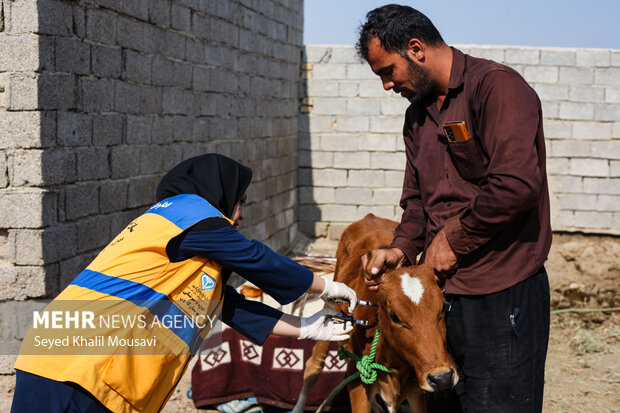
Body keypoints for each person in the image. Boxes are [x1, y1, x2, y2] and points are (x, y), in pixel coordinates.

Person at [11, 154, 358, 413]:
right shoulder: (186, 211)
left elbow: (233, 308)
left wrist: (309, 328)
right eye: (241, 202)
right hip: (78, 368)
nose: (241, 214)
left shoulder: (189, 248)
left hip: (73, 365)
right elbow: (253, 257)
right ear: (218, 193)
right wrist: (325, 286)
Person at [357, 5, 552, 412]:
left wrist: (453, 238)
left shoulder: (497, 88)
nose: (387, 85)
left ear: (416, 49)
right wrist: (401, 249)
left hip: (502, 291)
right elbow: (415, 203)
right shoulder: (416, 117)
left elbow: (516, 185)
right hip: (441, 298)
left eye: (387, 71)